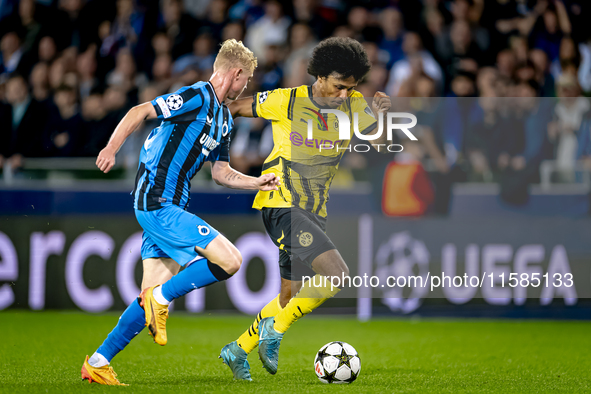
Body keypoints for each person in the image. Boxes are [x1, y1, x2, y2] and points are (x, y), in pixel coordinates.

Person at [80, 39, 280, 386]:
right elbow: (140, 111)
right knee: (231, 261)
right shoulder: (197, 96)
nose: (245, 87)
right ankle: (161, 298)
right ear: (234, 73)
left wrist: (256, 183)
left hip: (170, 206)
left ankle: (98, 361)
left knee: (147, 305)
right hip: (157, 201)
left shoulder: (223, 121)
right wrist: (111, 148)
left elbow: (221, 173)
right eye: (245, 80)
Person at [219, 37, 391, 381]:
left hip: (314, 211)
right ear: (321, 76)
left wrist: (383, 117)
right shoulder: (286, 100)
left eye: (351, 88)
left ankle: (237, 350)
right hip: (280, 202)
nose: (344, 94)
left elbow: (381, 143)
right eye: (340, 87)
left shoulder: (355, 104)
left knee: (288, 297)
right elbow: (233, 108)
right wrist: (211, 142)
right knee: (337, 275)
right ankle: (275, 332)